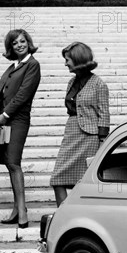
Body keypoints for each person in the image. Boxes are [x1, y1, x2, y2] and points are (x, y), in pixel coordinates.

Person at [0, 29, 41, 228]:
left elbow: (23, 94)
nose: (19, 45)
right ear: (10, 47)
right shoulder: (13, 66)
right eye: (14, 43)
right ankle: (16, 209)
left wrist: (5, 115)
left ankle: (22, 211)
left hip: (17, 120)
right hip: (3, 120)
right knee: (9, 164)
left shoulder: (32, 65)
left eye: (22, 41)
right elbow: (0, 93)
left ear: (28, 42)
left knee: (14, 162)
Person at [50, 42, 110, 206]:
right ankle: (65, 215)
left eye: (68, 59)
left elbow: (104, 113)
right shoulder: (71, 82)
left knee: (85, 181)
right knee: (57, 178)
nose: (65, 63)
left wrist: (102, 141)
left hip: (90, 137)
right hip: (71, 133)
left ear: (77, 59)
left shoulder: (99, 84)